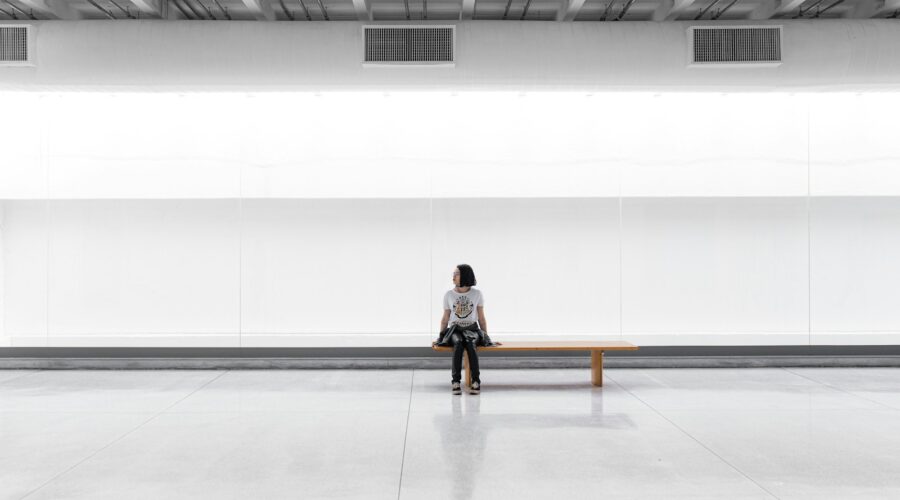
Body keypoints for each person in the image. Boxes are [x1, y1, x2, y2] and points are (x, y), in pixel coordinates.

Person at [433, 264, 499, 395]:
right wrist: (440, 337)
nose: (453, 276)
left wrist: (486, 336)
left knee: (470, 342)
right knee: (458, 343)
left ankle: (476, 381)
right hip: (454, 330)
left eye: (456, 274)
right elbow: (445, 318)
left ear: (465, 276)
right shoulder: (448, 295)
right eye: (453, 274)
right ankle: (455, 382)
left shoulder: (477, 294)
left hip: (472, 329)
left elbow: (481, 318)